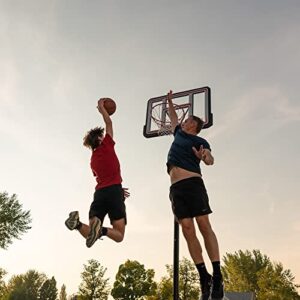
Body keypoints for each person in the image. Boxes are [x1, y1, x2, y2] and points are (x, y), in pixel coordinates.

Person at [166, 90, 224, 300]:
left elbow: (210, 160)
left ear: (193, 125)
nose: (183, 121)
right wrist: (170, 102)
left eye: (187, 119)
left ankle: (217, 274)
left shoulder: (200, 141)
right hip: (176, 189)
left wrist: (204, 156)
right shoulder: (178, 134)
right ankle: (204, 276)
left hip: (193, 184)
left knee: (203, 224)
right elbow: (173, 118)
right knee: (187, 229)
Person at [65, 98, 129, 248]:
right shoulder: (107, 145)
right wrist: (102, 109)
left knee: (90, 234)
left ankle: (77, 223)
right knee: (119, 236)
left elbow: (104, 178)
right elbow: (109, 124)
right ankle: (101, 229)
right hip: (114, 191)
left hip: (100, 194)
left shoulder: (93, 160)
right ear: (100, 139)